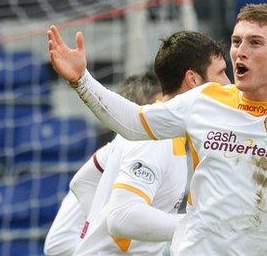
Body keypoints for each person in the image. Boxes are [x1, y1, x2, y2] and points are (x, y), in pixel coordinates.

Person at [47, 0, 267, 254]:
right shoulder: (205, 99)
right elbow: (134, 123)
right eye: (236, 41)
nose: (239, 52)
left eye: (254, 43)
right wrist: (82, 81)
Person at [44, 31, 230, 255]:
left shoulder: (164, 134)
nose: (228, 84)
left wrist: (98, 228)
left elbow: (84, 181)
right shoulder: (158, 139)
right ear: (193, 80)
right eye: (221, 73)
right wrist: (196, 227)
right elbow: (122, 216)